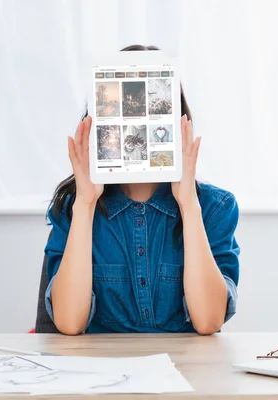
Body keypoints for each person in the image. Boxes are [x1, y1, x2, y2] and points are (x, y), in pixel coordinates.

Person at [45, 45, 240, 335]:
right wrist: (85, 204)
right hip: (103, 371)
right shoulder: (76, 205)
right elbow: (69, 323)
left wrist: (188, 204)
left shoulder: (215, 207)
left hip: (184, 374)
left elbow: (209, 320)